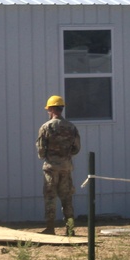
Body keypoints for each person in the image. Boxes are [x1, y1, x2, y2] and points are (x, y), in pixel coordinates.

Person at [36, 95, 81, 235]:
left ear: (51, 109)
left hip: (51, 168)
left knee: (50, 197)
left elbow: (41, 151)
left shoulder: (45, 127)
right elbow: (77, 148)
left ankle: (50, 228)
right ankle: (70, 229)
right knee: (67, 197)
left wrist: (50, 156)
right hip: (66, 167)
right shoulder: (71, 127)